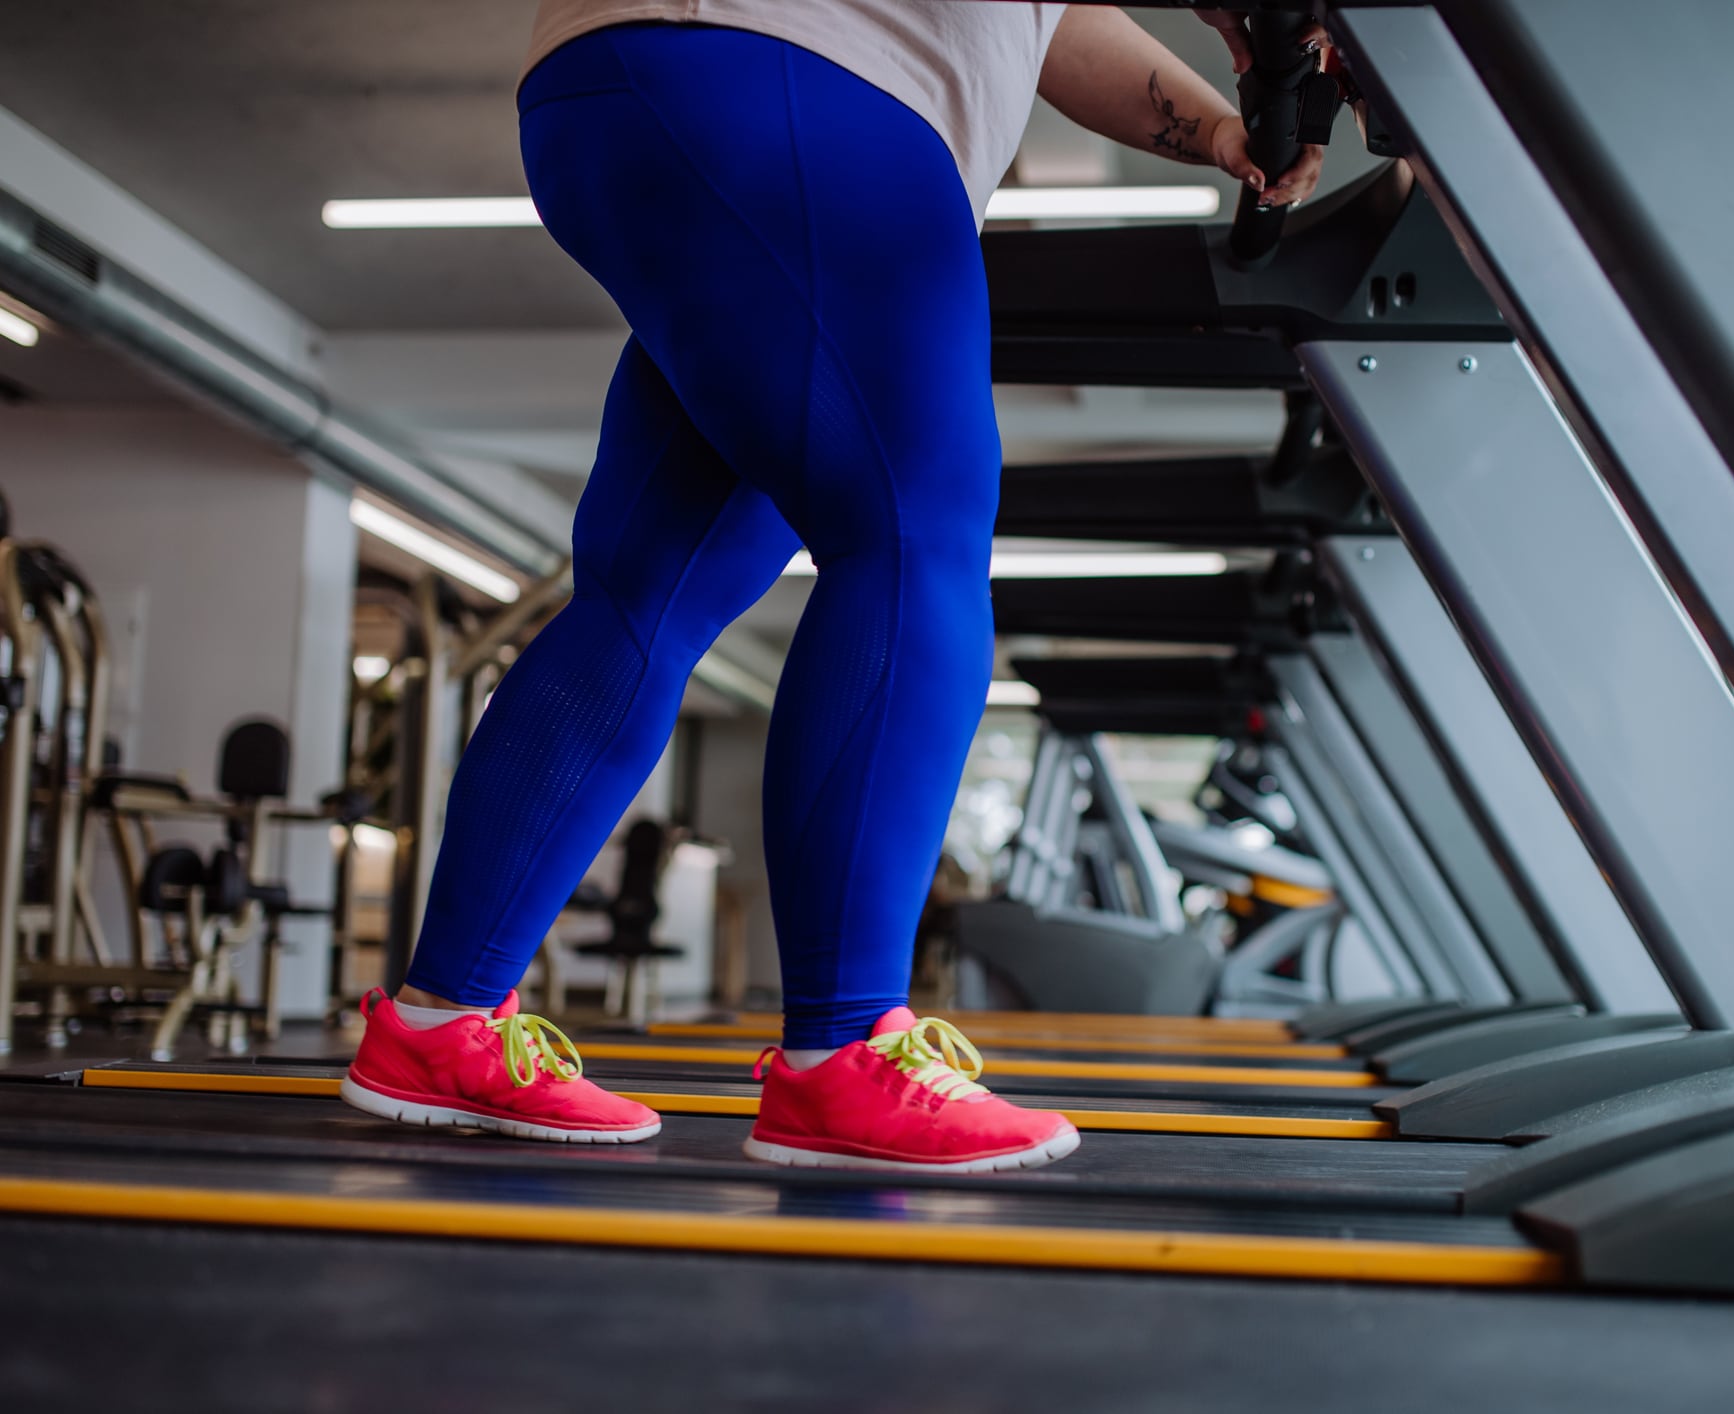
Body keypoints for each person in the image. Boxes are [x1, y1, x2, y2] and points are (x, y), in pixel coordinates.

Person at [339, 0, 1325, 1172]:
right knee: (919, 531)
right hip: (803, 81)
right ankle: (844, 1052)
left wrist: (1221, 129)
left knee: (649, 589)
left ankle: (440, 1020)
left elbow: (1056, 23)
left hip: (644, 93)